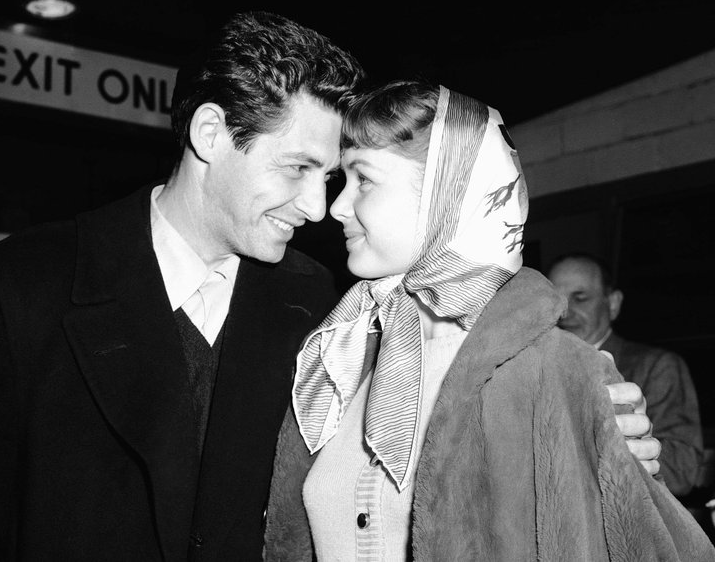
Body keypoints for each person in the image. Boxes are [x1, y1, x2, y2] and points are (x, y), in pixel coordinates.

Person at [0, 12, 657, 561]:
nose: (316, 208)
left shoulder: (319, 306)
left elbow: (436, 415)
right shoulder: (14, 289)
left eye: (333, 177)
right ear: (211, 136)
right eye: (298, 168)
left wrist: (587, 426)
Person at [263, 80, 714, 560]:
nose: (336, 206)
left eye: (364, 179)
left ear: (447, 196)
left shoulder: (556, 369)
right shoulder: (339, 356)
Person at [547, 252, 704, 497]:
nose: (564, 312)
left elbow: (683, 469)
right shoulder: (536, 370)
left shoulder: (657, 366)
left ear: (613, 304)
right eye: (556, 300)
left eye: (580, 298)